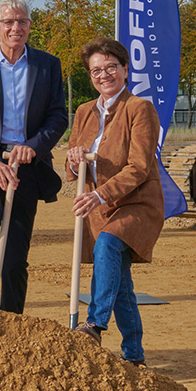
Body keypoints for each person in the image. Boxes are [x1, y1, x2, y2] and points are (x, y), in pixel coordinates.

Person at [0, 0, 67, 314]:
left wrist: (34, 146)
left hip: (28, 164)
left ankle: (12, 318)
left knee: (16, 249)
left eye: (22, 21)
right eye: (8, 22)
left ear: (30, 26)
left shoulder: (47, 65)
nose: (15, 27)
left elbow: (58, 116)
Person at [67, 36, 164, 367]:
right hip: (99, 210)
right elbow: (72, 165)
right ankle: (134, 357)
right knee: (121, 284)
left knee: (108, 245)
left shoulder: (140, 109)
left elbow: (139, 167)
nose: (104, 75)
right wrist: (74, 160)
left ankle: (94, 325)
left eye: (111, 67)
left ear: (125, 69)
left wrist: (99, 194)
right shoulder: (84, 112)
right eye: (96, 70)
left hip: (137, 204)